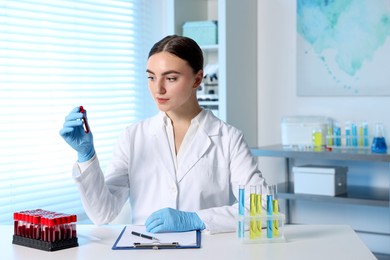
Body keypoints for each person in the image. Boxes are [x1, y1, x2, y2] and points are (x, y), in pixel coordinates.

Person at [59, 35, 268, 234]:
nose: (158, 89)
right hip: (146, 249)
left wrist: (196, 219)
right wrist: (86, 157)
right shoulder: (133, 137)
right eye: (151, 77)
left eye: (171, 78)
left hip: (204, 251)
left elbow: (263, 208)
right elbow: (103, 213)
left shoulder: (228, 138)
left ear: (197, 79)